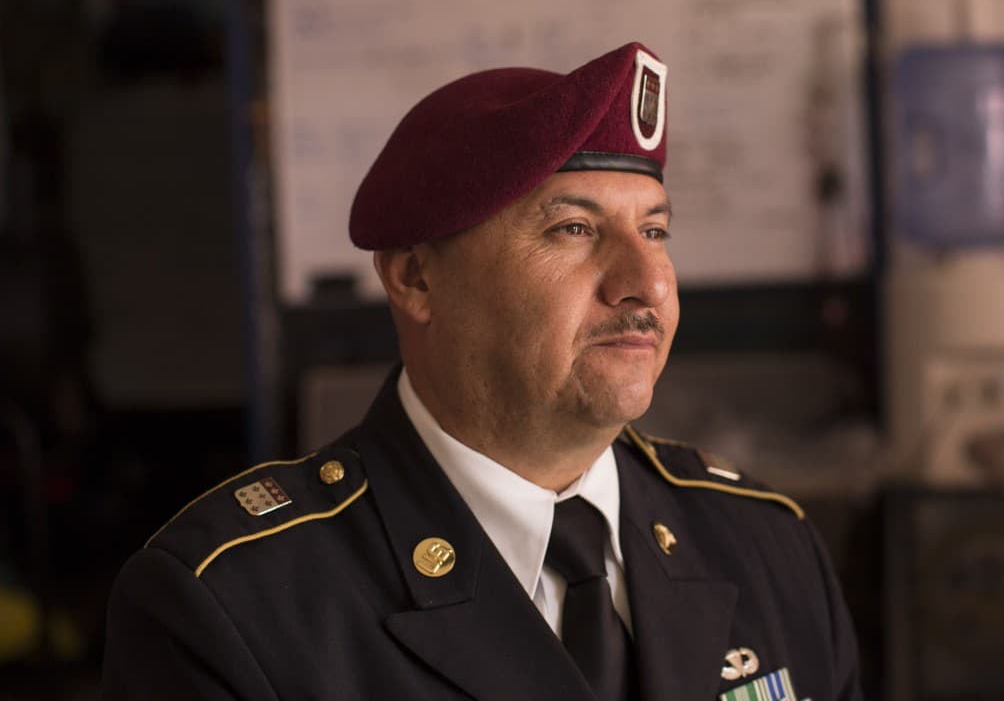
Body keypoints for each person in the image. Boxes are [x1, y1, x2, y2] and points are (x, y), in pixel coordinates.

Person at [102, 41, 862, 701]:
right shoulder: (235, 607)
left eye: (655, 230)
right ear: (416, 278)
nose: (647, 284)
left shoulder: (765, 543)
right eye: (574, 229)